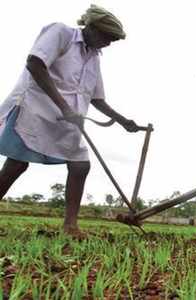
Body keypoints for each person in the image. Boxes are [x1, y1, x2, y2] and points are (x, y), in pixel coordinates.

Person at [0, 5, 139, 236]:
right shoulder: (61, 33)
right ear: (93, 29)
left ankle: (70, 226)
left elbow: (97, 99)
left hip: (67, 121)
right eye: (108, 37)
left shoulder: (93, 57)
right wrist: (64, 106)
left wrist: (124, 121)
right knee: (16, 165)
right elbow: (35, 63)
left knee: (80, 165)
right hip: (35, 110)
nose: (109, 43)